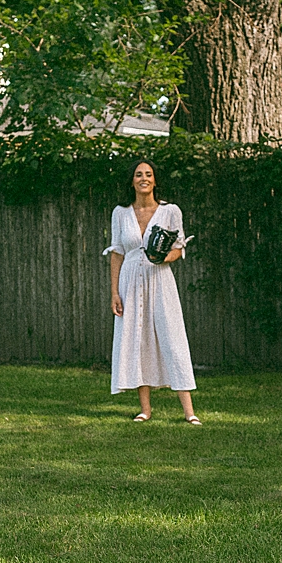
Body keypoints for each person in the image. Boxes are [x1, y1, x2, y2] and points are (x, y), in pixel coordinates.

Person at [106, 160, 199, 423]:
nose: (143, 178)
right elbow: (117, 253)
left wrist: (162, 257)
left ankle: (189, 412)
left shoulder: (170, 211)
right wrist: (115, 292)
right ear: (131, 181)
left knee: (172, 336)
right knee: (137, 337)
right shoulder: (120, 213)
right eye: (138, 174)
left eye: (149, 174)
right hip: (130, 281)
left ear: (156, 180)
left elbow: (179, 248)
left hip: (159, 280)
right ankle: (145, 409)